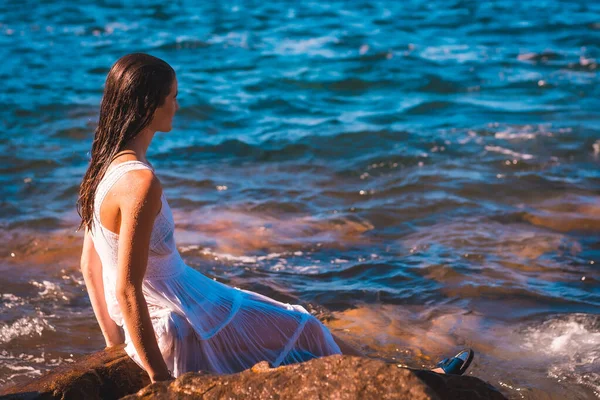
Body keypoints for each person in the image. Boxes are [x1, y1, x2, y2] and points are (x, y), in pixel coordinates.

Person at [77, 53, 473, 383]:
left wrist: (116, 344)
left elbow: (90, 268)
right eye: (173, 97)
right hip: (182, 314)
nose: (177, 106)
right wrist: (160, 382)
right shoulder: (140, 183)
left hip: (184, 301)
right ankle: (420, 383)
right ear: (149, 105)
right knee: (306, 329)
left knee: (305, 330)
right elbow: (128, 288)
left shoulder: (102, 170)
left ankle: (414, 376)